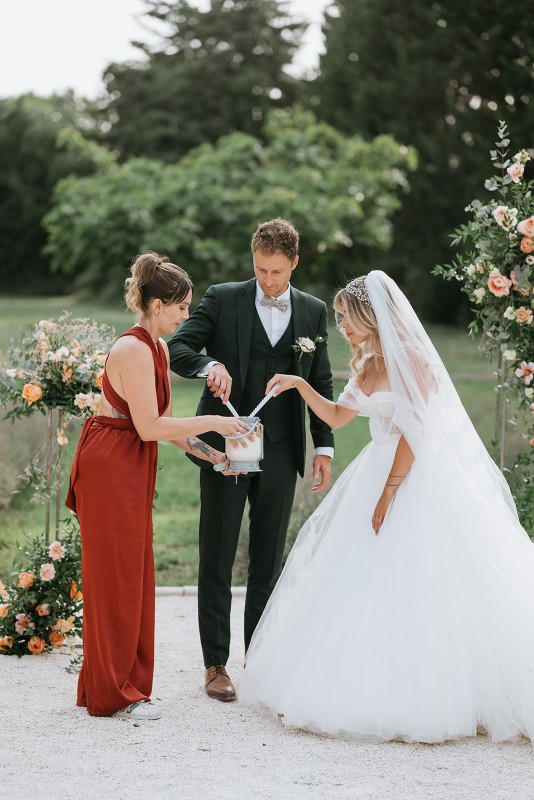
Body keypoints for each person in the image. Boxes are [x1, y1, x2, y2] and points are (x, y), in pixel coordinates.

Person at [240, 270, 534, 744]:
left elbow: (417, 431)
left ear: (369, 316)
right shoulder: (367, 365)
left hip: (414, 474)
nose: (342, 329)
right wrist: (298, 384)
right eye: (338, 320)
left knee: (420, 573)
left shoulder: (414, 359)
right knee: (360, 571)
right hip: (377, 467)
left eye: (346, 319)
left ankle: (440, 691)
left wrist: (390, 490)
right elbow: (338, 416)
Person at [66, 252, 249, 720]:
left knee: (133, 575)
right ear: (156, 304)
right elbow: (149, 427)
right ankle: (112, 694)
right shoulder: (130, 349)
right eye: (181, 308)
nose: (186, 317)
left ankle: (121, 685)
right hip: (111, 464)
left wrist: (214, 457)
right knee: (114, 578)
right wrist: (214, 420)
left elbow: (162, 425)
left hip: (131, 462)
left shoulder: (159, 348)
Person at [168, 218, 335, 701]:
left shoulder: (313, 311)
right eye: (261, 270)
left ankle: (260, 660)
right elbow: (179, 347)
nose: (269, 281)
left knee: (267, 561)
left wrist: (322, 446)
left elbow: (319, 380)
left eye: (278, 272)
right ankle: (215, 665)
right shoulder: (223, 298)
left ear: (294, 264)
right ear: (253, 260)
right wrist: (209, 365)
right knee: (217, 553)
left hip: (281, 450)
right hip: (225, 444)